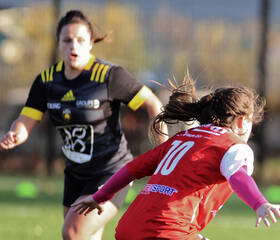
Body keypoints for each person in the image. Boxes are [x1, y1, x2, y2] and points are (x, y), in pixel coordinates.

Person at [0, 10, 168, 240]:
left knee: (73, 232)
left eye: (80, 40)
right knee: (86, 237)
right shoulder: (47, 81)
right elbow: (26, 120)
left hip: (111, 171)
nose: (73, 46)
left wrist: (165, 146)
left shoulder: (109, 76)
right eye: (67, 40)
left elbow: (153, 103)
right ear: (58, 43)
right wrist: (15, 133)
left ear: (91, 43)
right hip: (75, 174)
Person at [71, 77, 280, 239]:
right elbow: (238, 176)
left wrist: (100, 195)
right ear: (242, 122)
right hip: (167, 231)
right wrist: (259, 203)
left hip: (130, 228)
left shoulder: (181, 139)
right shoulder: (232, 146)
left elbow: (131, 169)